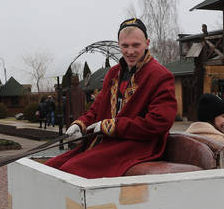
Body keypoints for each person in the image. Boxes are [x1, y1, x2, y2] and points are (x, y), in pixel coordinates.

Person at [45, 17, 177, 178]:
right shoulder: (113, 73)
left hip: (138, 146)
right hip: (106, 143)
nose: (130, 51)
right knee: (50, 168)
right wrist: (80, 125)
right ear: (119, 44)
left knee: (71, 171)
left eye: (136, 45)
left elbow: (159, 123)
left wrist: (113, 126)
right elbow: (96, 110)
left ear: (147, 43)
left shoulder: (161, 76)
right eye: (125, 46)